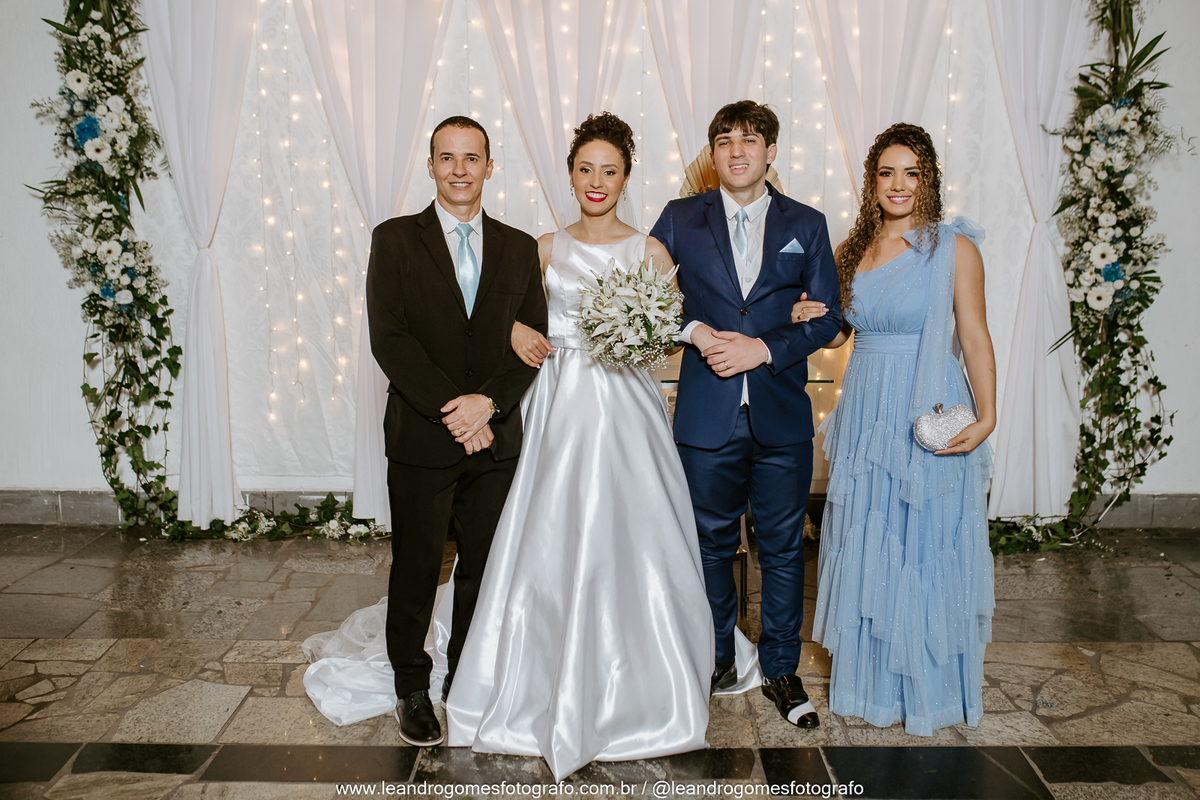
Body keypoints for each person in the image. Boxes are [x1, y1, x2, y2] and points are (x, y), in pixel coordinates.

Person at [446, 112, 715, 780]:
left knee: (632, 534)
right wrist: (515, 332)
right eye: (585, 169)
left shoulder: (651, 252)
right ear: (569, 175)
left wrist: (639, 334)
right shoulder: (543, 248)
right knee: (548, 532)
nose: (597, 181)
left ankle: (641, 679)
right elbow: (498, 319)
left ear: (625, 178)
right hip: (557, 404)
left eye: (610, 171)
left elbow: (665, 334)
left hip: (625, 407)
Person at [793, 122, 996, 736]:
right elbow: (838, 333)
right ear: (872, 181)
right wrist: (808, 314)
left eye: (912, 173)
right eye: (887, 173)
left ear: (928, 179)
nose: (899, 185)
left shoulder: (953, 249)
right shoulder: (852, 250)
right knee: (870, 536)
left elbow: (974, 336)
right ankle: (871, 685)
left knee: (925, 544)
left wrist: (988, 415)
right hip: (867, 410)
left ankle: (928, 692)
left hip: (925, 406)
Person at [648, 101, 844, 729]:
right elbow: (643, 300)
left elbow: (831, 320)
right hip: (707, 414)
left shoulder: (806, 224)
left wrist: (764, 347)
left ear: (771, 151)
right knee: (708, 545)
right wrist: (698, 332)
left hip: (780, 414)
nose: (737, 150)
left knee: (782, 547)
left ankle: (782, 670)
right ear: (712, 153)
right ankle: (717, 657)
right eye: (725, 140)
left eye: (750, 140)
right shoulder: (679, 218)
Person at [363, 115, 546, 747]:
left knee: (483, 568)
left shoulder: (520, 248)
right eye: (448, 157)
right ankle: (411, 685)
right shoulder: (394, 240)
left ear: (490, 167)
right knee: (416, 567)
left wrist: (487, 406)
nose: (460, 169)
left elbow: (533, 343)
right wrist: (457, 411)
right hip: (422, 436)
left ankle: (465, 675)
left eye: (472, 158)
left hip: (494, 441)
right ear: (431, 166)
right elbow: (390, 339)